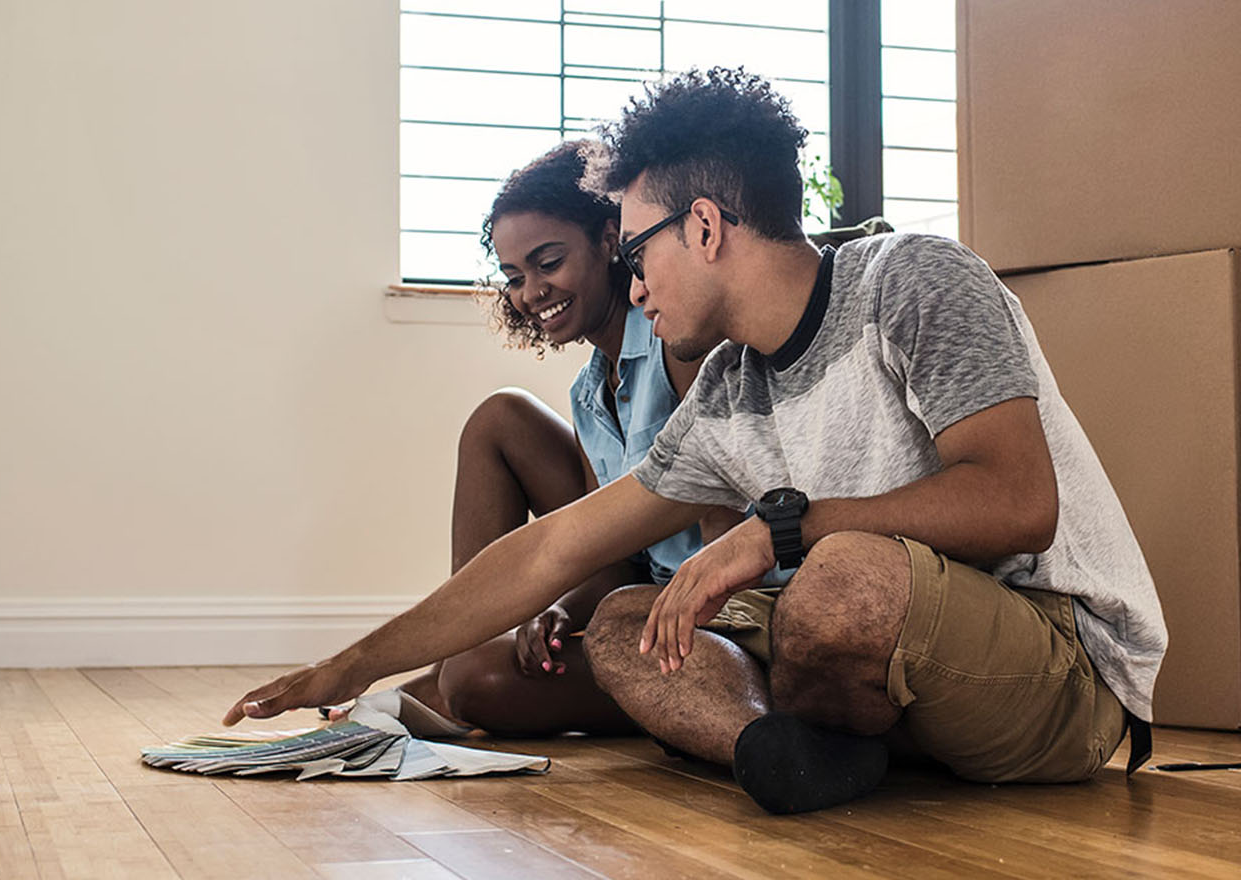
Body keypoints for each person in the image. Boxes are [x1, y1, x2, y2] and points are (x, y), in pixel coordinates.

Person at [225, 67, 1166, 816]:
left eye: (636, 254)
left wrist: (778, 531)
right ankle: (781, 757)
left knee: (839, 576)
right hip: (860, 660)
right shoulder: (725, 387)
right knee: (630, 619)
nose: (632, 288)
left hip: (1056, 662)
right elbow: (552, 548)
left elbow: (1017, 501)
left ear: (706, 227)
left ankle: (827, 734)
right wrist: (348, 666)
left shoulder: (914, 280)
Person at [366, 139, 728, 737]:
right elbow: (614, 552)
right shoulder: (590, 392)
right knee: (500, 418)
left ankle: (452, 681)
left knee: (477, 683)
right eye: (514, 276)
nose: (531, 291)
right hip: (640, 593)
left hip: (697, 621)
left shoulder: (678, 343)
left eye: (548, 261)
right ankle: (452, 655)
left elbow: (710, 530)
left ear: (610, 240)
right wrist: (559, 609)